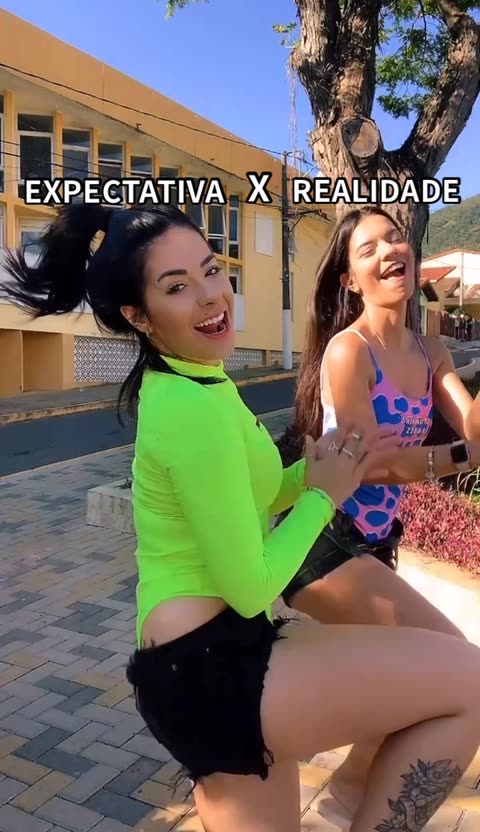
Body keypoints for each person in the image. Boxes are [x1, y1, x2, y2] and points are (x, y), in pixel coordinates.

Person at [4, 202, 480, 832]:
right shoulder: (191, 409)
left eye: (210, 270)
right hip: (209, 670)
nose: (211, 296)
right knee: (467, 682)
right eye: (177, 287)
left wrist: (309, 473)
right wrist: (323, 496)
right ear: (138, 315)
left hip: (218, 657)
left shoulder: (200, 380)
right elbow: (251, 584)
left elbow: (252, 494)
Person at [274, 205, 480, 829]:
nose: (390, 250)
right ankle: (347, 802)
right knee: (452, 664)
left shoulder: (431, 349)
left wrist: (470, 433)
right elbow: (372, 464)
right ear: (349, 279)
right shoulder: (349, 351)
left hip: (375, 544)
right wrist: (460, 455)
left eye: (395, 238)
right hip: (323, 540)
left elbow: (469, 424)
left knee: (415, 684)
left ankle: (343, 802)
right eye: (369, 249)